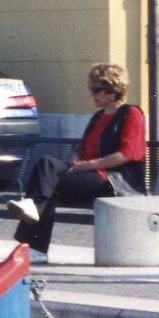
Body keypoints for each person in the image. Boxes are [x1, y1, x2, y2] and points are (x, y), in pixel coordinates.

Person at [8, 62, 148, 252]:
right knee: (47, 163)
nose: (92, 95)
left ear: (112, 90)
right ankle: (33, 213)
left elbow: (128, 154)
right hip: (89, 172)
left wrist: (89, 165)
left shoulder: (131, 114)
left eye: (96, 90)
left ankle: (33, 247)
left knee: (49, 187)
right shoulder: (99, 116)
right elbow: (83, 147)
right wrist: (76, 157)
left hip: (111, 179)